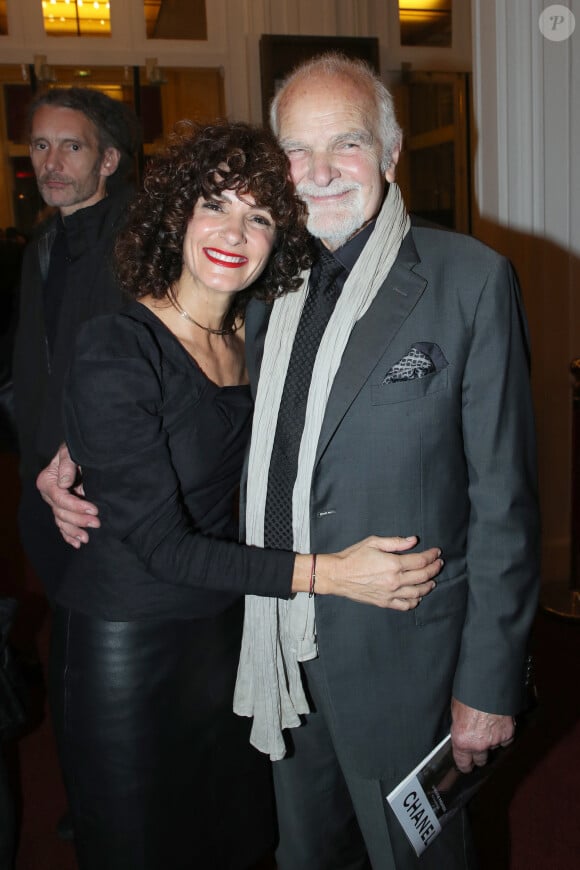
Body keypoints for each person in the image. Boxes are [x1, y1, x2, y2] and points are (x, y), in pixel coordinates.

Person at [39, 53, 540, 869]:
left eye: (345, 143)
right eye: (296, 152)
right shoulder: (267, 289)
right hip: (267, 648)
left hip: (406, 656)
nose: (319, 172)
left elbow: (506, 501)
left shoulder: (469, 281)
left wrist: (488, 685)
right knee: (301, 853)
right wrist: (84, 448)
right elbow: (187, 398)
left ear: (389, 151)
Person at [12, 87, 140, 601]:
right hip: (42, 483)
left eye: (72, 147)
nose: (52, 162)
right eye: (41, 146)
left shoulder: (137, 243)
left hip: (104, 491)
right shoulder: (42, 247)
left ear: (108, 160)